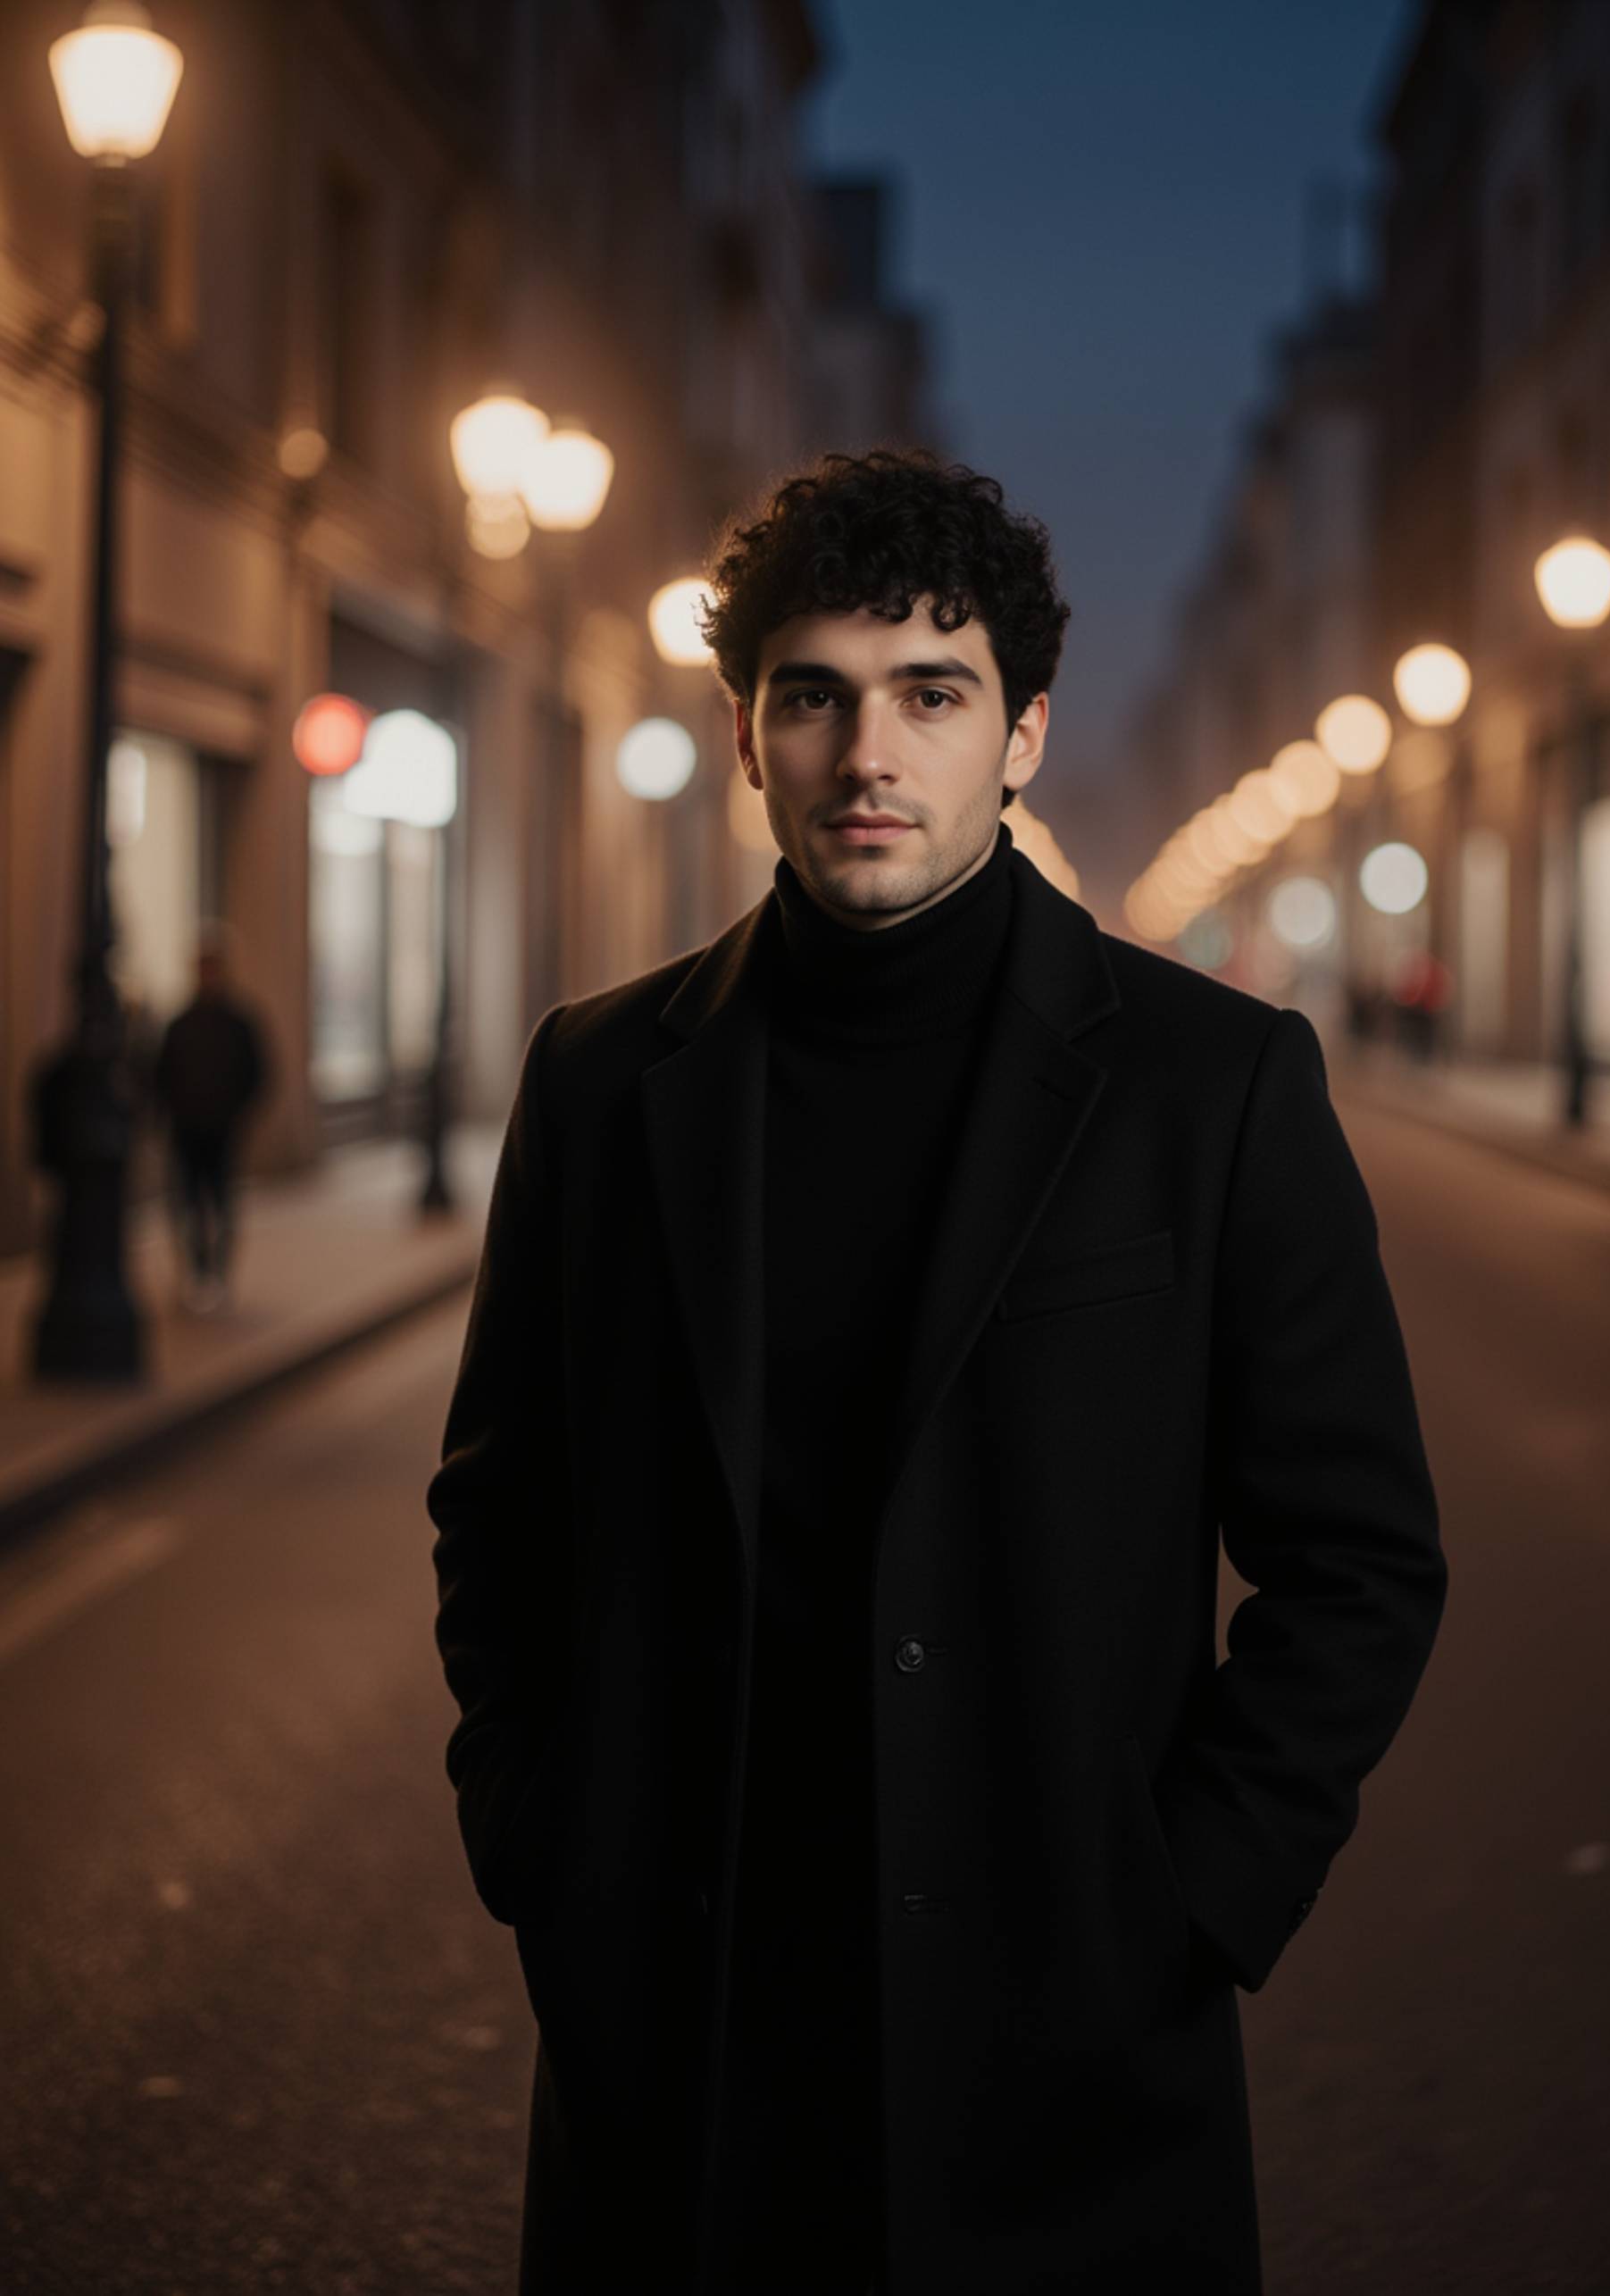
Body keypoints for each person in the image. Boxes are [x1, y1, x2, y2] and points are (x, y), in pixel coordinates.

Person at [426, 447, 1447, 2296]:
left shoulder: (1206, 1089)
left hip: (1064, 2040)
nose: (866, 753)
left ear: (1023, 733)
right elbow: (501, 1507)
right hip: (682, 2031)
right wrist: (540, 1840)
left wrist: (1191, 1899)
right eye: (811, 693)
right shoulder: (597, 1080)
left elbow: (1360, 1554)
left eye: (930, 692)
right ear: (748, 734)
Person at [150, 923, 271, 1312]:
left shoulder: (239, 1022)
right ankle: (196, 1271)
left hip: (222, 1128)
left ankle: (216, 1273)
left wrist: (238, 1113)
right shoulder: (180, 1024)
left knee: (220, 1202)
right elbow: (161, 1074)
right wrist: (166, 1111)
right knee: (186, 1204)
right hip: (186, 1127)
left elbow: (259, 1073)